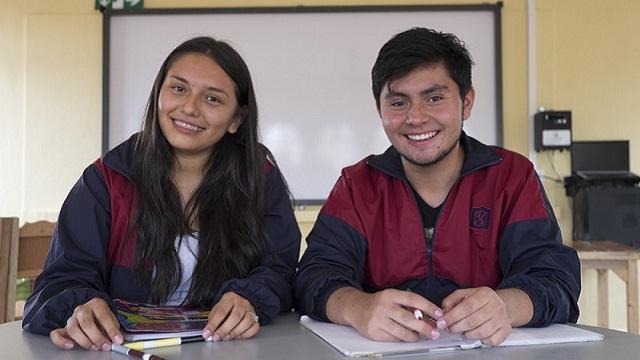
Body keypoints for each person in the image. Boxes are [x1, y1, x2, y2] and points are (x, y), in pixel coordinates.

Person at [294, 27, 580, 346]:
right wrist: (357, 307)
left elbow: (556, 279)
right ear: (380, 110)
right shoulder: (357, 185)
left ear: (466, 102)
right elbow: (313, 277)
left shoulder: (512, 177)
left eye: (434, 98)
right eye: (399, 102)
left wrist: (507, 305)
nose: (416, 118)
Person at [22, 37, 301, 351]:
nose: (189, 108)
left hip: (227, 351)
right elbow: (57, 284)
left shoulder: (259, 179)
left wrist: (249, 297)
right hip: (118, 351)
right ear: (158, 94)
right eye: (178, 89)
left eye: (212, 99)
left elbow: (280, 271)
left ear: (237, 119)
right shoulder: (106, 180)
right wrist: (80, 309)